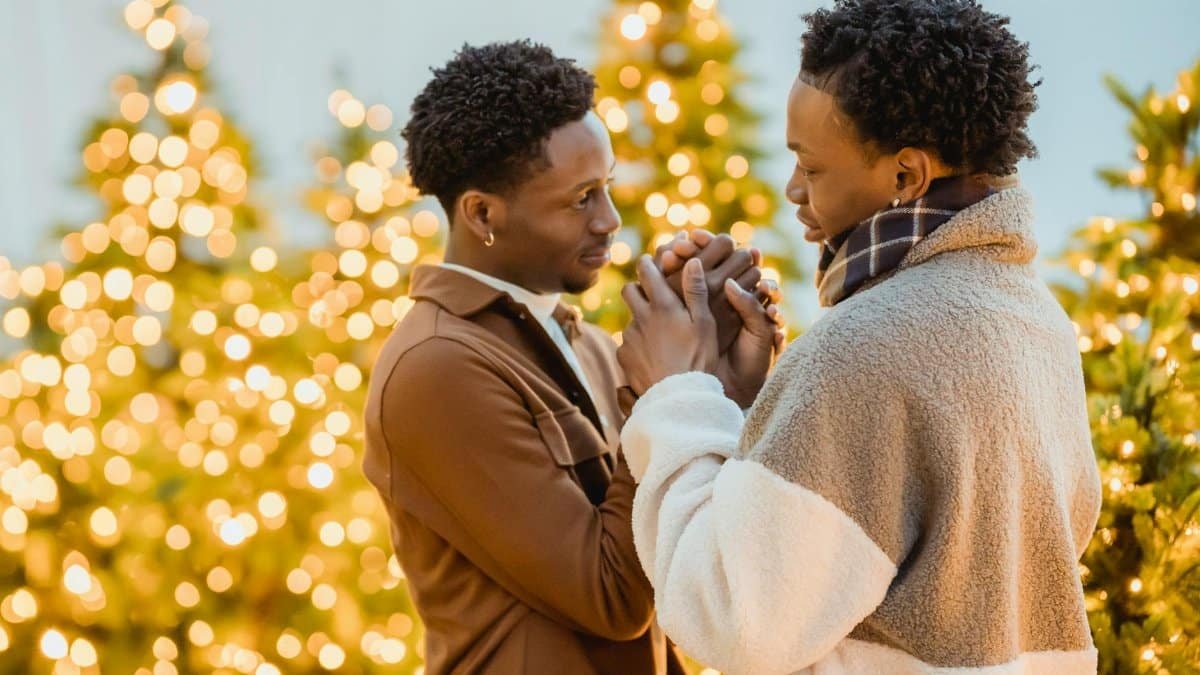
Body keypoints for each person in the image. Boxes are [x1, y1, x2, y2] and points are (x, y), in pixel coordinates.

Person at [616, 1, 1103, 673]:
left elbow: (737, 618)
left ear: (905, 176)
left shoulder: (865, 348)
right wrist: (752, 403)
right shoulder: (1037, 322)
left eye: (811, 168)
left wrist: (677, 395)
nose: (791, 189)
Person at [360, 40, 775, 674]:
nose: (610, 220)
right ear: (482, 213)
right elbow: (612, 600)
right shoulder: (438, 367)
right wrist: (668, 392)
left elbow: (686, 547)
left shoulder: (581, 340)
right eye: (581, 198)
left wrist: (720, 383)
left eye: (606, 187)